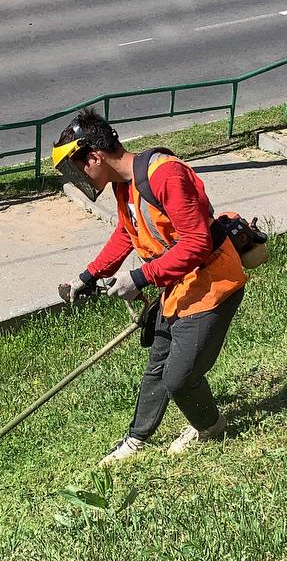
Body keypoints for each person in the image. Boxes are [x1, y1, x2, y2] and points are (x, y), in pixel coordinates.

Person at [53, 108, 247, 467]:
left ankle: (211, 427)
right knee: (157, 366)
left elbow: (196, 244)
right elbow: (128, 231)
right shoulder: (125, 185)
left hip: (211, 285)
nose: (78, 176)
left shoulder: (165, 175)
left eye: (78, 167)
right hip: (176, 287)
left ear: (94, 157)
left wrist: (139, 278)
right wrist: (89, 275)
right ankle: (136, 438)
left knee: (180, 378)